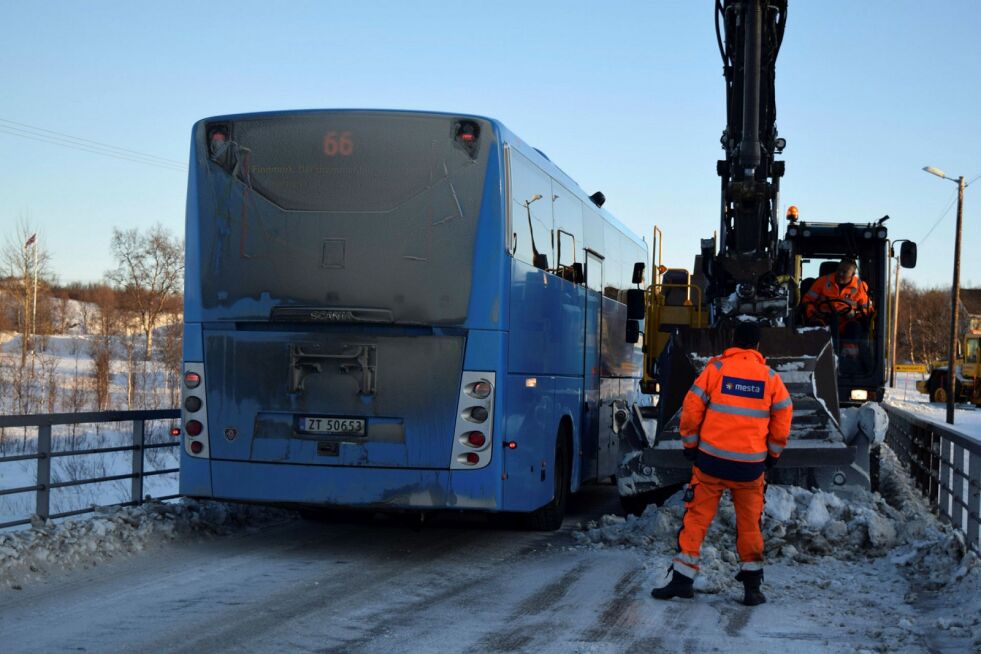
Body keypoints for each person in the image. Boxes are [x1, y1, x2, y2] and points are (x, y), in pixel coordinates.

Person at [651, 322, 793, 606]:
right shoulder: (771, 378)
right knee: (750, 526)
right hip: (750, 469)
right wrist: (772, 456)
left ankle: (681, 581)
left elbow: (691, 409)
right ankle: (752, 588)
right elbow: (783, 419)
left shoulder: (715, 371)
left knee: (696, 519)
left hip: (711, 464)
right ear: (756, 347)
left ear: (733, 341)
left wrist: (691, 447)